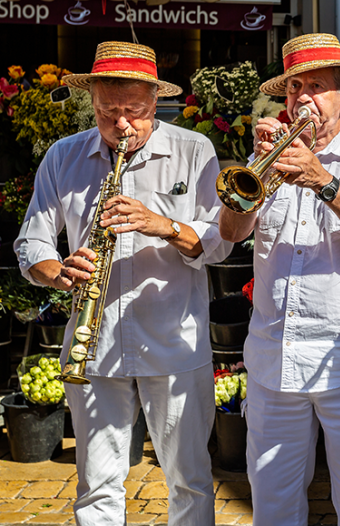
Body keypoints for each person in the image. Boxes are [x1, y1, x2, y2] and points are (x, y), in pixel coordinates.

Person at [15, 42, 232, 526]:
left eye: (134, 110)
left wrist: (164, 226)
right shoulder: (63, 156)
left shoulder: (194, 151)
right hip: (95, 345)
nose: (122, 125)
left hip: (175, 342)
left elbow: (220, 241)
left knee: (189, 478)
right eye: (107, 112)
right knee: (97, 485)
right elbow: (31, 242)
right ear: (91, 102)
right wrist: (56, 271)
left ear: (155, 101)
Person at [218, 33, 340, 526]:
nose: (302, 98)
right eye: (294, 88)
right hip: (273, 362)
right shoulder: (270, 161)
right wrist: (253, 177)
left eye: (317, 86)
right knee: (274, 508)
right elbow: (230, 231)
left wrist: (322, 178)